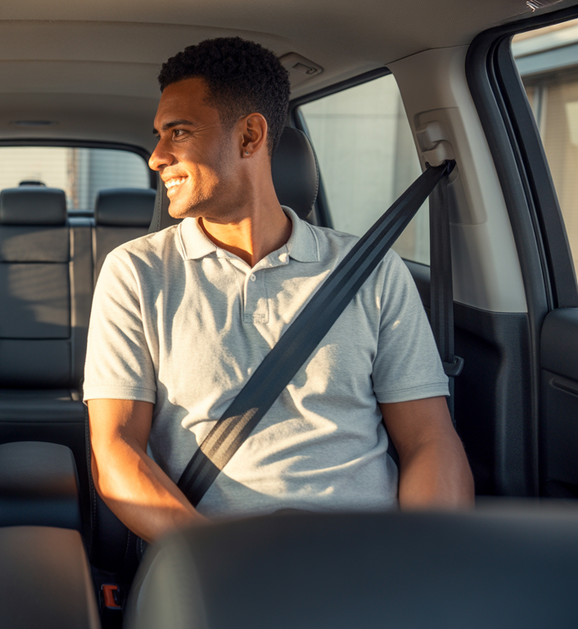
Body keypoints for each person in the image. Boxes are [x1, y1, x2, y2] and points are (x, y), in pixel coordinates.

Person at [83, 37, 474, 545]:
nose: (157, 157)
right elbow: (115, 449)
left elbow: (429, 439)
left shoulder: (372, 270)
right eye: (159, 136)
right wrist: (210, 558)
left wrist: (427, 560)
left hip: (366, 561)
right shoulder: (136, 272)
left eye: (178, 133)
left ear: (249, 136)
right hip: (214, 556)